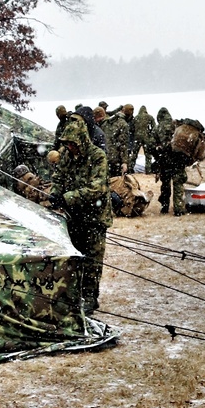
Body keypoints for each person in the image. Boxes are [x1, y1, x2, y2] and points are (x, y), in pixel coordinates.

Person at [48, 116, 112, 311]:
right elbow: (58, 177)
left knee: (92, 260)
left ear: (81, 140)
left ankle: (90, 298)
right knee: (75, 258)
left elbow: (96, 189)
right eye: (66, 144)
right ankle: (75, 296)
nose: (69, 148)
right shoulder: (66, 156)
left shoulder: (97, 156)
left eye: (72, 144)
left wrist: (68, 197)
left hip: (95, 217)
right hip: (74, 215)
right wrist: (54, 194)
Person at [152, 108, 186, 216]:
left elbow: (152, 146)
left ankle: (164, 207)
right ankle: (178, 209)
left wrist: (158, 158)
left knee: (165, 184)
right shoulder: (176, 126)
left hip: (164, 160)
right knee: (178, 184)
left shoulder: (157, 128)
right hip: (177, 159)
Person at [101, 108, 131, 176]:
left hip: (106, 156)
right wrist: (124, 162)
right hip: (115, 158)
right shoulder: (123, 124)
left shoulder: (106, 123)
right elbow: (123, 144)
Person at [133, 105, 156, 170]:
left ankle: (130, 168)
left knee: (134, 154)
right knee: (148, 154)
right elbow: (154, 127)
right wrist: (150, 134)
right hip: (147, 137)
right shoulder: (150, 117)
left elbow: (132, 128)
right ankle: (148, 169)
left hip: (137, 138)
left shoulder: (136, 117)